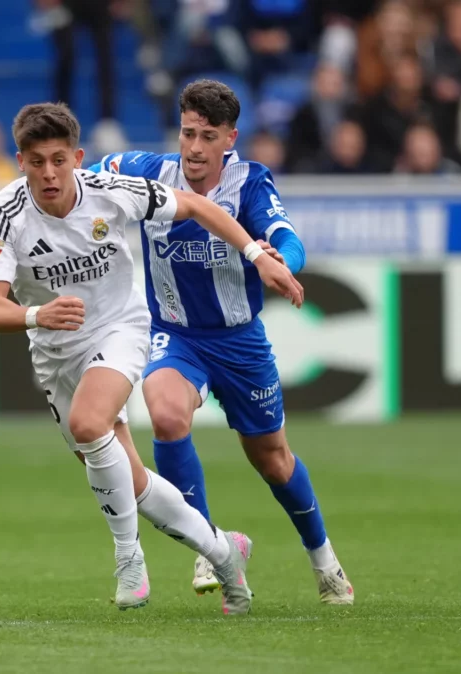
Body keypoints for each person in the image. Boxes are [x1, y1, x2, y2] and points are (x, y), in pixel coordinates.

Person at [0, 102, 305, 613]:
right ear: (19, 161)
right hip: (53, 348)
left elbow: (200, 207)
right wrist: (37, 316)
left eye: (59, 160)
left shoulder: (112, 192)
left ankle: (128, 559)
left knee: (90, 423)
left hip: (120, 326)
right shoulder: (5, 213)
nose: (49, 173)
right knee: (129, 478)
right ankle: (223, 552)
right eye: (37, 162)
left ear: (77, 157)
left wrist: (258, 256)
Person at [90, 79, 354, 605]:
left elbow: (286, 238)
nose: (193, 147)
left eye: (207, 136)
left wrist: (284, 262)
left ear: (229, 138)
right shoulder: (145, 172)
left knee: (273, 460)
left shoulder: (251, 183)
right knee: (165, 415)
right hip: (173, 332)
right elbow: (82, 179)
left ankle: (324, 560)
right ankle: (209, 545)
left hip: (240, 342)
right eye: (187, 132)